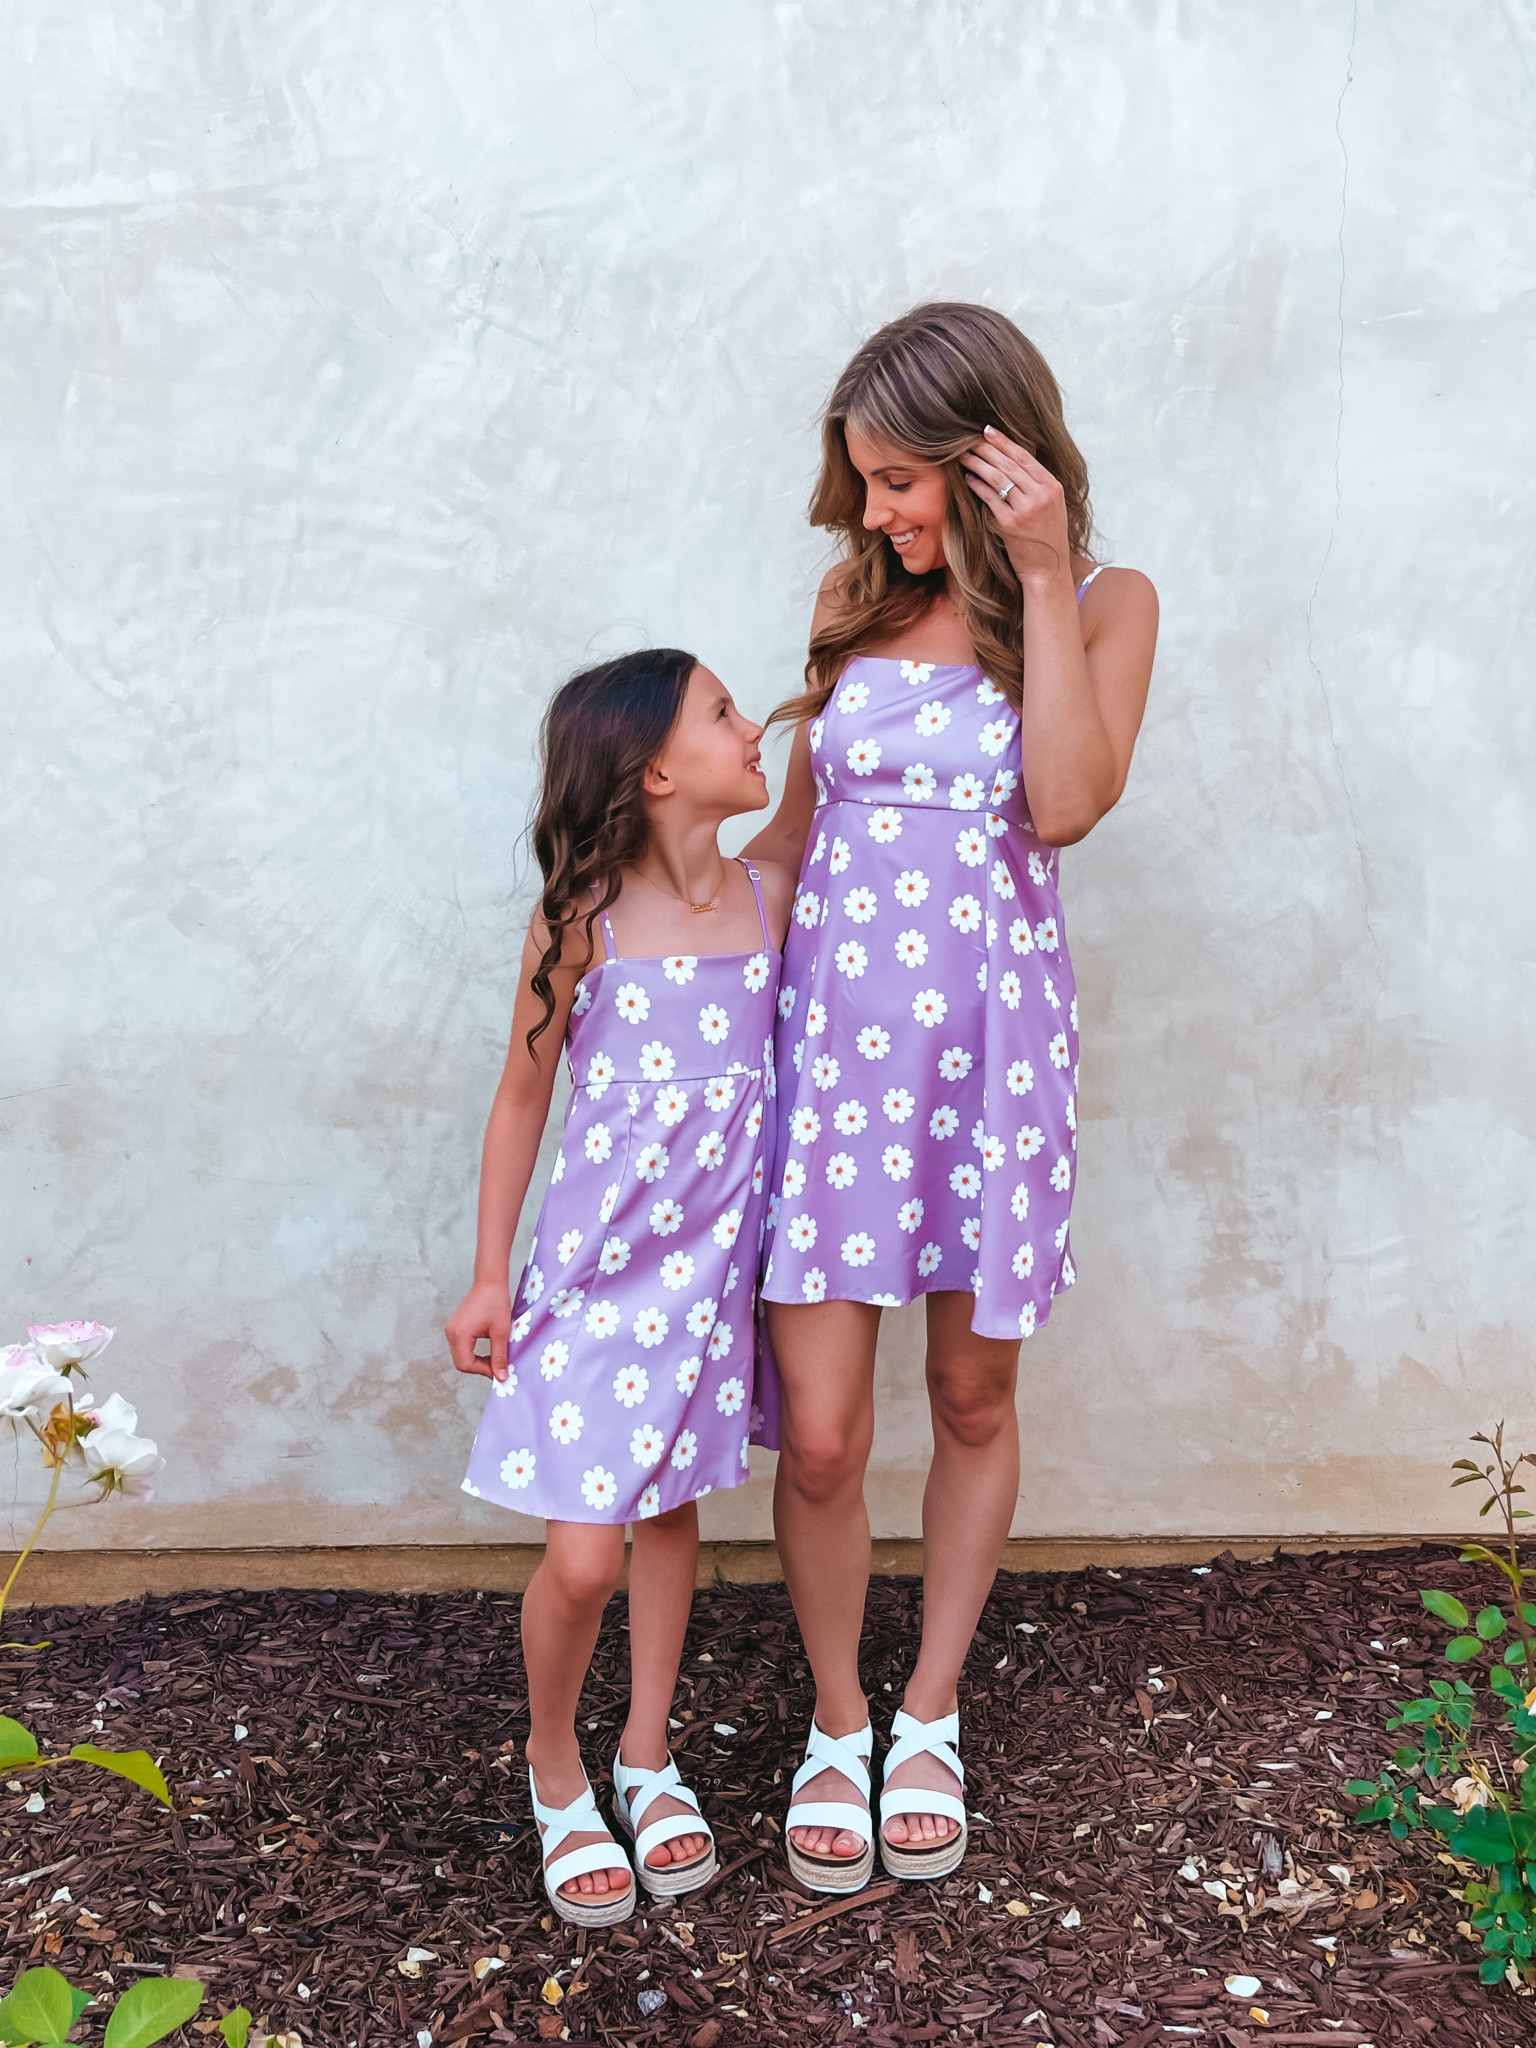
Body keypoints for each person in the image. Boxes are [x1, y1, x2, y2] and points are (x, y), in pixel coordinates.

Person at [745, 302, 1159, 1890]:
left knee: (973, 1399)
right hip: (834, 1065)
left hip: (990, 1065)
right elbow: (788, 846)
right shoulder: (849, 611)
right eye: (861, 485)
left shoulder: (1107, 601)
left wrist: (1045, 575)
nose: (873, 516)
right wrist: (657, 923)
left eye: (901, 484)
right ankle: (835, 1717)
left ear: (998, 461)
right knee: (831, 1438)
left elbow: (1062, 804)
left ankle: (929, 1708)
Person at [447, 649, 792, 1926]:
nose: (748, 725)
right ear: (654, 770)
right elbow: (521, 1093)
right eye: (722, 712)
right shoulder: (580, 913)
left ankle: (646, 1747)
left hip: (710, 1282)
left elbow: (819, 787)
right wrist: (492, 1276)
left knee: (671, 1506)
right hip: (595, 1281)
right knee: (583, 1555)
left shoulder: (768, 895)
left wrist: (838, 674)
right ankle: (553, 1756)